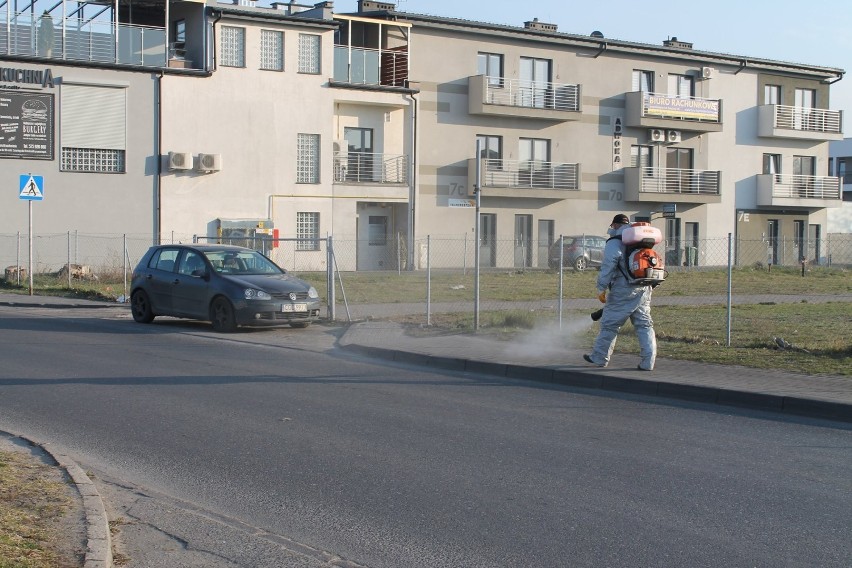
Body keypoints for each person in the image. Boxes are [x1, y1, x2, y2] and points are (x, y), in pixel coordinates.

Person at [583, 213, 657, 371]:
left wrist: (601, 288)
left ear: (615, 225)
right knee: (644, 325)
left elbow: (608, 266)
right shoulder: (638, 239)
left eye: (612, 226)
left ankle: (599, 357)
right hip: (643, 287)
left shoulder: (615, 242)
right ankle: (648, 362)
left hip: (623, 289)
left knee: (610, 324)